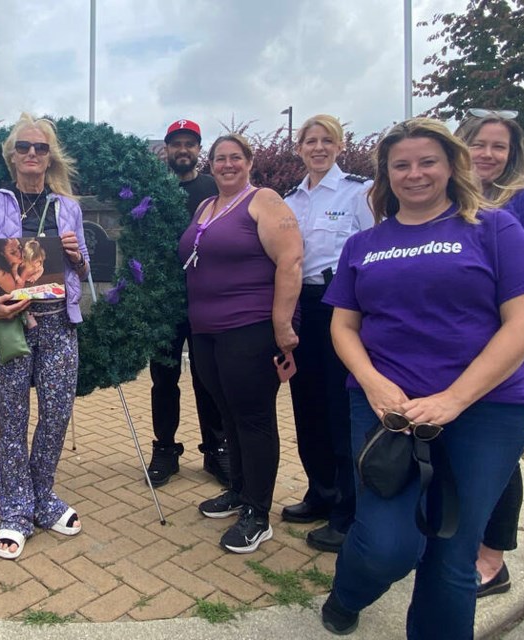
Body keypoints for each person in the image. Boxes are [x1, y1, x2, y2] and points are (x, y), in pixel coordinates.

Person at [319, 118, 524, 638]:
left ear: (452, 166)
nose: (414, 174)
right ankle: (350, 591)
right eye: (400, 165)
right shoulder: (364, 244)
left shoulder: (494, 227)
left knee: (452, 552)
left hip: (486, 411)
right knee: (387, 544)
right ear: (386, 175)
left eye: (427, 161)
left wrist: (454, 399)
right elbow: (343, 324)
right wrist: (373, 383)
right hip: (388, 408)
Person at [0, 113, 90, 559]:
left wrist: (77, 256)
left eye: (40, 148)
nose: (33, 154)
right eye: (24, 147)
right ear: (11, 155)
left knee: (57, 415)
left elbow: (85, 270)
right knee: (14, 420)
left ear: (50, 155)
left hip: (59, 323)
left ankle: (43, 496)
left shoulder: (67, 206)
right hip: (11, 324)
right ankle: (15, 509)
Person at [454, 109, 524, 598]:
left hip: (499, 347)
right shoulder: (452, 201)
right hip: (450, 348)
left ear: (512, 154)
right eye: (478, 145)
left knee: (497, 453)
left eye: (499, 147)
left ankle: (493, 560)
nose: (487, 155)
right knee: (456, 447)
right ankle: (458, 542)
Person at [179, 133, 303, 554]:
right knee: (226, 413)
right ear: (209, 165)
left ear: (249, 162)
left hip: (250, 328)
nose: (227, 164)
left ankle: (258, 512)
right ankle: (238, 489)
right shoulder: (206, 206)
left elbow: (291, 260)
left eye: (235, 158)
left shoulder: (264, 200)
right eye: (220, 159)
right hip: (207, 330)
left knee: (253, 418)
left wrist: (283, 325)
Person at [282, 114, 374, 553]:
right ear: (299, 148)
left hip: (342, 306)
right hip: (303, 306)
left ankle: (348, 510)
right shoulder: (290, 200)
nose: (317, 148)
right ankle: (319, 491)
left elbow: (376, 252)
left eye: (326, 141)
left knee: (342, 410)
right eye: (310, 141)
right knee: (307, 404)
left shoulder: (360, 192)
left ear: (339, 147)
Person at [146, 119, 229, 488]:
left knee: (208, 377)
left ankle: (216, 450)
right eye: (176, 144)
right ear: (166, 149)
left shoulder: (214, 188)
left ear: (199, 149)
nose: (183, 150)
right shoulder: (152, 188)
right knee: (163, 379)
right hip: (163, 302)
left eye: (189, 144)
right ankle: (164, 449)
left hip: (206, 298)